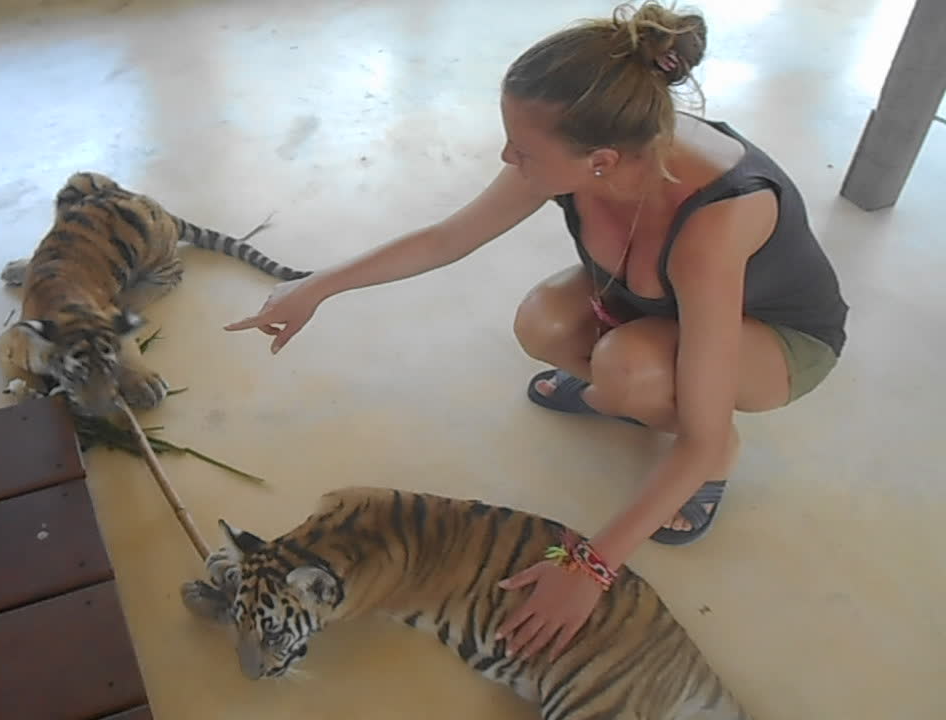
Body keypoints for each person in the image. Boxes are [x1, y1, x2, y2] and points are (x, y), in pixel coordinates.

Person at [223, 2, 847, 663]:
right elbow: (448, 237)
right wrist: (317, 286)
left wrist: (586, 568)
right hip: (658, 302)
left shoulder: (714, 221)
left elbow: (694, 440)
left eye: (521, 150)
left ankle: (699, 444)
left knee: (632, 370)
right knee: (543, 321)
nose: (506, 156)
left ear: (601, 162)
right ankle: (628, 391)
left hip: (776, 333)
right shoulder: (593, 141)